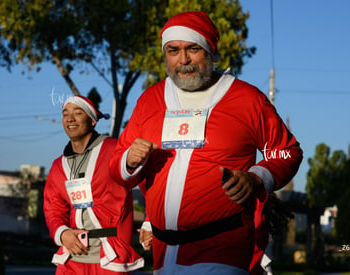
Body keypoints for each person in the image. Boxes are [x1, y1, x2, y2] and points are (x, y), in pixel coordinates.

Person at [109, 11, 303, 275]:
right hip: (164, 254)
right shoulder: (149, 101)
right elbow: (117, 167)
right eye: (173, 50)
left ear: (211, 52)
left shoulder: (247, 99)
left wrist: (257, 179)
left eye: (193, 49)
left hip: (223, 249)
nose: (183, 59)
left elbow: (287, 152)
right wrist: (128, 161)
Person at [43, 95, 144, 274]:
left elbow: (148, 182)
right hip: (71, 259)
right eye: (65, 114)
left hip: (111, 258)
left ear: (93, 121)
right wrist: (62, 233)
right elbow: (53, 208)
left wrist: (150, 223)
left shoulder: (115, 149)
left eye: (78, 113)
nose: (70, 118)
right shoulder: (58, 165)